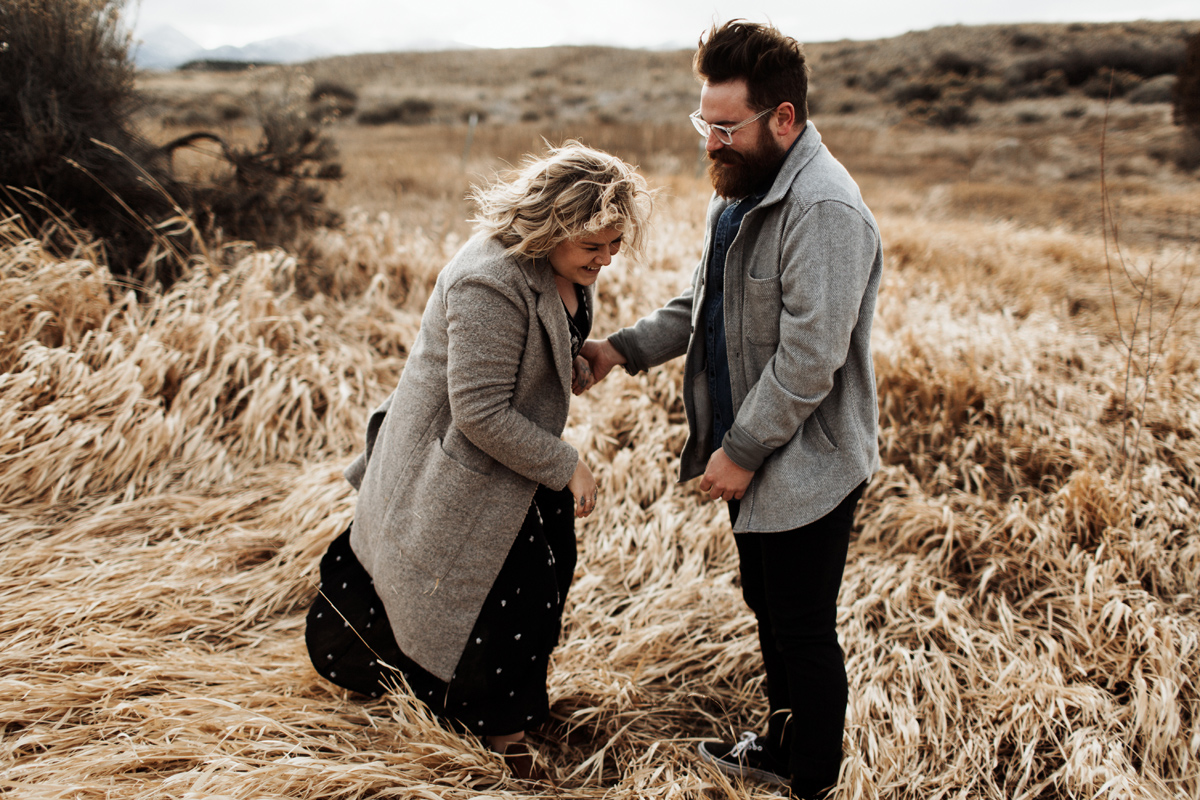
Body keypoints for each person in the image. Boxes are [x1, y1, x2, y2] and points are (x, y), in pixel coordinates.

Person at [579, 20, 882, 800]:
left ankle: (808, 778)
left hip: (808, 460)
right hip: (761, 457)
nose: (710, 141)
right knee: (769, 608)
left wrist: (742, 450)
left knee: (803, 625)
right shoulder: (744, 192)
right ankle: (779, 746)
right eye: (702, 123)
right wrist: (622, 348)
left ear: (783, 118)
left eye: (726, 126)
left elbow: (812, 358)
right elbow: (701, 301)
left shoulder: (824, 212)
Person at [305, 142, 652, 778]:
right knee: (499, 596)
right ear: (552, 225)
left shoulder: (559, 267)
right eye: (594, 247)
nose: (606, 260)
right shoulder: (487, 281)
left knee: (545, 580)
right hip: (463, 466)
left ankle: (512, 704)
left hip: (514, 460)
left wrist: (566, 364)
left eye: (614, 245)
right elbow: (479, 411)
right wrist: (565, 461)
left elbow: (533, 346)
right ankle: (500, 733)